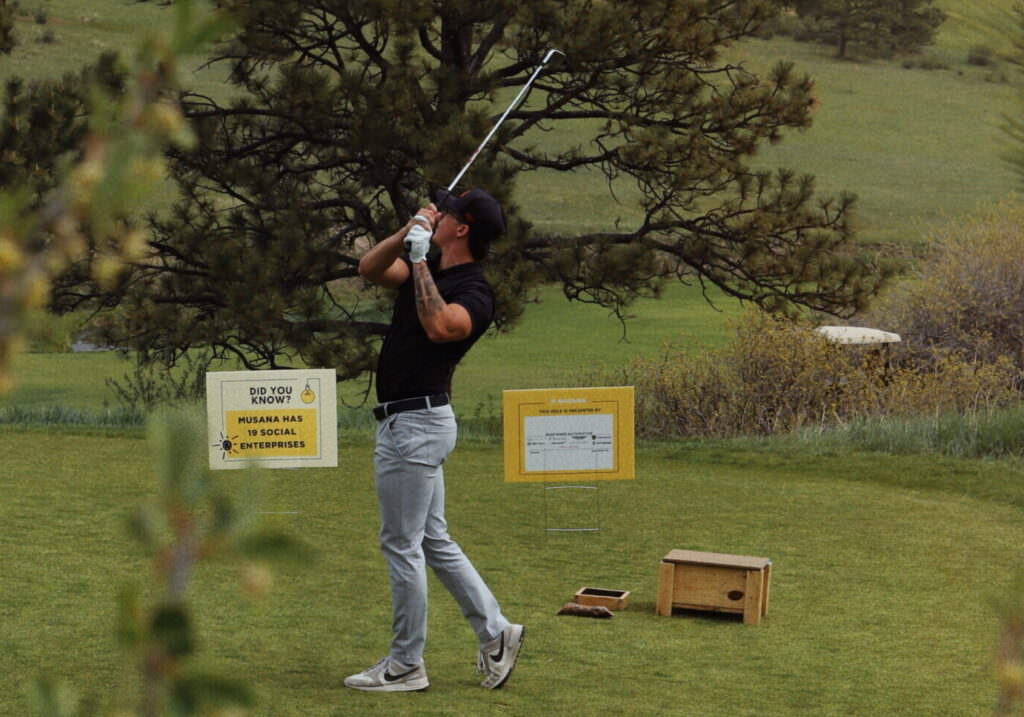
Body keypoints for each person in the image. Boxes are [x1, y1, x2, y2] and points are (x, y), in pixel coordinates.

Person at [345, 188, 524, 693]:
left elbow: (442, 326)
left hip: (416, 425)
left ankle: (406, 665)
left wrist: (422, 258)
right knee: (432, 540)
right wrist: (408, 234)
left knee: (401, 545)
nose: (437, 214)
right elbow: (370, 268)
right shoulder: (430, 267)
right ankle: (496, 632)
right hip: (410, 423)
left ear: (462, 228)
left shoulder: (473, 290)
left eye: (445, 212)